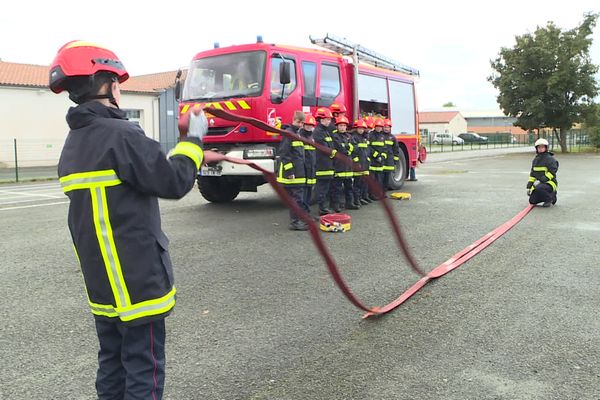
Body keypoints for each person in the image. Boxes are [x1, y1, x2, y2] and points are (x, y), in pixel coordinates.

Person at [49, 41, 205, 400]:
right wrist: (193, 142)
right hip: (137, 281)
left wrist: (189, 156)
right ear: (108, 84)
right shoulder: (122, 135)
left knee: (112, 363)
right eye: (117, 81)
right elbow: (174, 181)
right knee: (143, 368)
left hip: (103, 283)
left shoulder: (75, 143)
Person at [277, 112, 308, 230]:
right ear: (293, 120)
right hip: (293, 174)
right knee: (297, 198)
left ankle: (297, 220)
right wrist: (290, 172)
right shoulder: (289, 134)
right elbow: (284, 154)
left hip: (298, 172)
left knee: (296, 198)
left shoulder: (297, 134)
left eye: (302, 123)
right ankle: (295, 222)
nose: (300, 124)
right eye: (298, 122)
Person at [331, 115, 358, 212]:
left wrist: (348, 148)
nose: (342, 127)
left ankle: (349, 203)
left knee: (349, 186)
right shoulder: (334, 136)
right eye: (340, 125)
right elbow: (339, 148)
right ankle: (336, 205)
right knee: (337, 188)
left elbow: (355, 147)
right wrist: (348, 148)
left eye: (344, 125)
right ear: (337, 126)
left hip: (348, 167)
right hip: (339, 166)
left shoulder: (349, 136)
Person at [312, 107, 337, 215]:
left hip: (327, 164)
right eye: (327, 119)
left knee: (325, 188)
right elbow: (324, 148)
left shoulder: (325, 132)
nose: (329, 121)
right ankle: (322, 209)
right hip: (322, 165)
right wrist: (334, 153)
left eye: (329, 119)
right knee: (321, 189)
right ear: (320, 119)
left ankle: (323, 208)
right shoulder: (318, 132)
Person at [527, 138, 558, 207]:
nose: (540, 149)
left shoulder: (550, 159)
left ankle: (550, 198)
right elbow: (533, 174)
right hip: (540, 183)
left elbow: (553, 171)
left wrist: (545, 178)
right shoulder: (535, 160)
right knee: (532, 200)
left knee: (539, 188)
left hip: (550, 183)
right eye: (539, 147)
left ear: (546, 148)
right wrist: (530, 184)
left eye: (542, 147)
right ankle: (547, 196)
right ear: (536, 148)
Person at [299, 115, 317, 216]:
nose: (309, 127)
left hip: (311, 168)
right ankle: (303, 214)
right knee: (303, 193)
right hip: (304, 169)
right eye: (307, 125)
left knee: (309, 192)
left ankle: (307, 212)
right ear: (303, 125)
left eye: (311, 125)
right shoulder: (300, 136)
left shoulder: (312, 136)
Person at [350, 119, 371, 205]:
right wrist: (356, 160)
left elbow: (367, 150)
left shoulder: (364, 138)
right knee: (357, 183)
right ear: (356, 128)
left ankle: (362, 198)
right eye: (359, 128)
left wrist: (368, 159)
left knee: (363, 182)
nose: (361, 130)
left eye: (362, 128)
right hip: (358, 163)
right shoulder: (353, 138)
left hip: (364, 163)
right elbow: (353, 151)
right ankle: (356, 200)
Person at [368, 118, 387, 199]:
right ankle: (372, 195)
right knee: (373, 179)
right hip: (373, 161)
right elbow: (369, 147)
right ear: (374, 127)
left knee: (379, 179)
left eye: (380, 127)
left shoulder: (383, 136)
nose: (379, 128)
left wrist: (382, 156)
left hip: (380, 162)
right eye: (377, 126)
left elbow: (385, 148)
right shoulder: (370, 135)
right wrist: (376, 155)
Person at [382, 118, 400, 189]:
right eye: (385, 127)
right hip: (381, 161)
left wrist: (395, 161)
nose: (386, 129)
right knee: (380, 178)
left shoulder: (392, 138)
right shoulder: (380, 136)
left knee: (387, 178)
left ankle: (384, 191)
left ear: (390, 128)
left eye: (388, 127)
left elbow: (396, 150)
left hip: (389, 161)